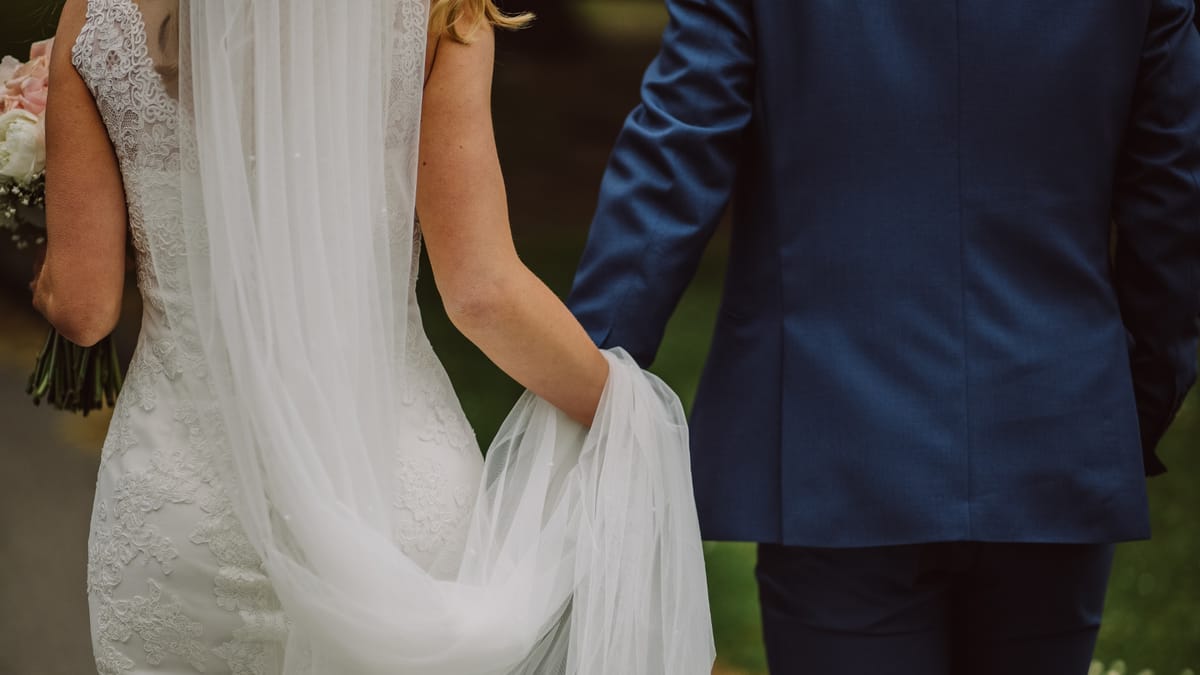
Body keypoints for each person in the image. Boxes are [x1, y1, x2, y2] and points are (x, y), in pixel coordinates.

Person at [31, 0, 714, 673]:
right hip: (393, 507)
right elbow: (482, 293)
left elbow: (84, 307)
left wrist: (43, 221)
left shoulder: (98, 16)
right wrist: (623, 409)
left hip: (186, 518)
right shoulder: (443, 14)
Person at [568, 1, 1200, 673]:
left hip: (833, 437)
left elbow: (677, 149)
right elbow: (1175, 196)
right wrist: (1129, 404)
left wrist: (582, 382)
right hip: (1052, 426)